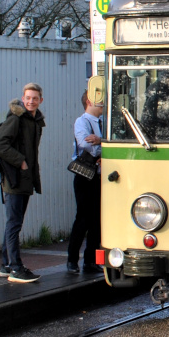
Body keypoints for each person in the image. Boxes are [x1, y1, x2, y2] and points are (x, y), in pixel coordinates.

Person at [0, 82, 45, 283]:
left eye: (35, 98)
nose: (31, 101)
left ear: (41, 100)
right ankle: (15, 267)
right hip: (14, 179)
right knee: (13, 224)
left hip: (24, 179)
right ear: (23, 99)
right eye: (28, 98)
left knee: (14, 223)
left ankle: (6, 264)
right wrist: (20, 161)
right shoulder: (17, 118)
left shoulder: (34, 120)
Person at [67, 91, 103, 275]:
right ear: (89, 101)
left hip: (99, 177)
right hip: (84, 176)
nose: (103, 102)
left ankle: (91, 261)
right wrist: (102, 148)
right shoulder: (83, 121)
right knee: (83, 218)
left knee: (97, 220)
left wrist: (100, 141)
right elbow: (84, 144)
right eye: (99, 100)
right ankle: (72, 260)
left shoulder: (103, 123)